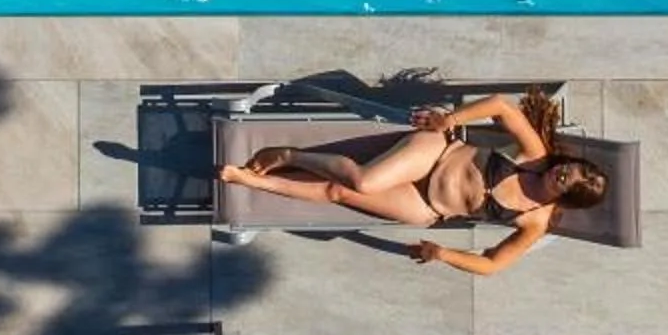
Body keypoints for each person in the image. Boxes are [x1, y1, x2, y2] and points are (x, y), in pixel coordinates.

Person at [214, 91, 607, 276]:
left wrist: (442, 254)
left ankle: (249, 181)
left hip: (429, 207)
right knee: (363, 181)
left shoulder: (534, 223)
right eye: (566, 167)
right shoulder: (536, 156)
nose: (560, 172)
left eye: (565, 179)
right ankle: (287, 156)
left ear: (567, 196)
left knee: (337, 192)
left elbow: (492, 264)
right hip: (436, 152)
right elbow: (503, 106)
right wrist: (449, 122)